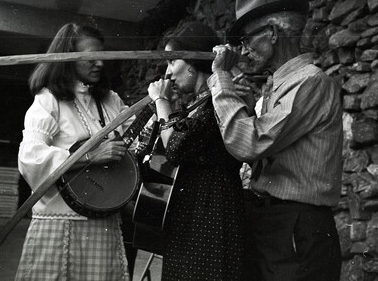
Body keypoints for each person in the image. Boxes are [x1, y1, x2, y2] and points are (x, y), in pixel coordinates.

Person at [209, 0, 343, 281]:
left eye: (247, 39)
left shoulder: (310, 81)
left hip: (297, 225)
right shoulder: (277, 85)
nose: (244, 50)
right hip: (275, 221)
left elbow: (250, 142)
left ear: (271, 33)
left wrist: (220, 78)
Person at [15, 22, 133, 281]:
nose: (99, 64)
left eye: (101, 56)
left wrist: (160, 101)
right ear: (67, 60)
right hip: (60, 225)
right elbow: (30, 158)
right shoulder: (49, 101)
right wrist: (89, 156)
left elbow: (136, 142)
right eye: (90, 57)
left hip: (103, 223)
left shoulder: (111, 101)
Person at [146, 21, 245, 281]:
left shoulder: (217, 100)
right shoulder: (199, 103)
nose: (168, 74)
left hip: (211, 211)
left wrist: (161, 101)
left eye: (172, 62)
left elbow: (175, 147)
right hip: (194, 212)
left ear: (191, 62)